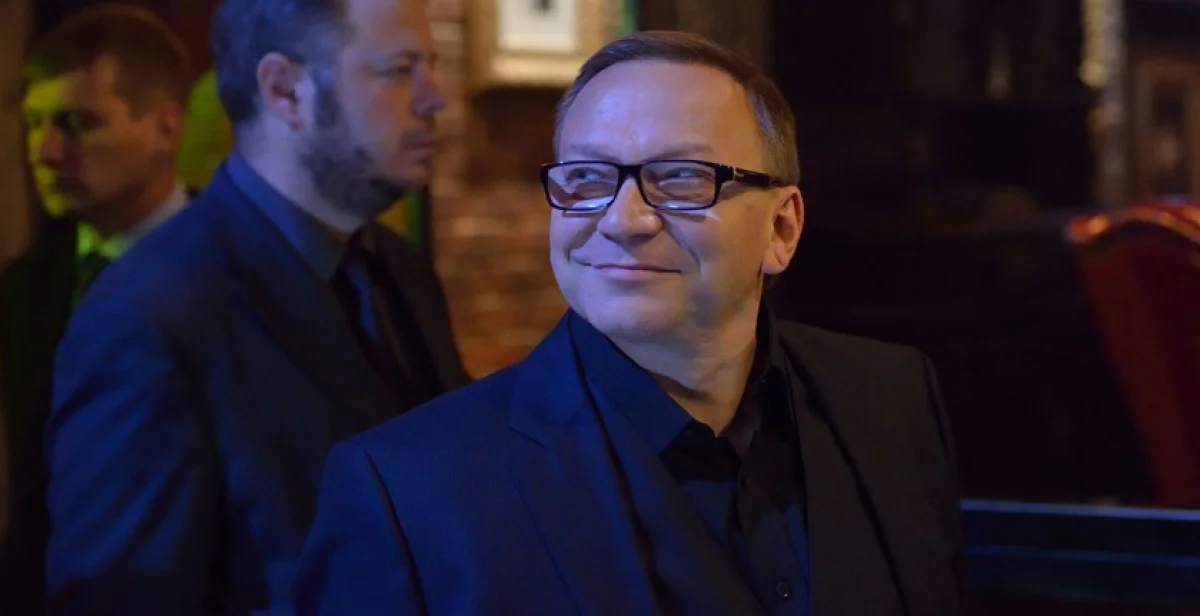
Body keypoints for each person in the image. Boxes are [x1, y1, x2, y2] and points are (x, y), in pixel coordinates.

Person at [295, 30, 964, 615]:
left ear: (781, 228)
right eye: (587, 179)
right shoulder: (408, 492)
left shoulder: (890, 400)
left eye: (681, 178)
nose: (623, 219)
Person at [45, 0, 469, 611]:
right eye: (401, 70)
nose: (435, 97)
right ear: (286, 91)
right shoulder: (147, 317)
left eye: (430, 65)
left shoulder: (399, 266)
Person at [0, 6, 193, 613]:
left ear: (165, 129)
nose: (45, 152)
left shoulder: (249, 271)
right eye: (34, 123)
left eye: (78, 124)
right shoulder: (25, 287)